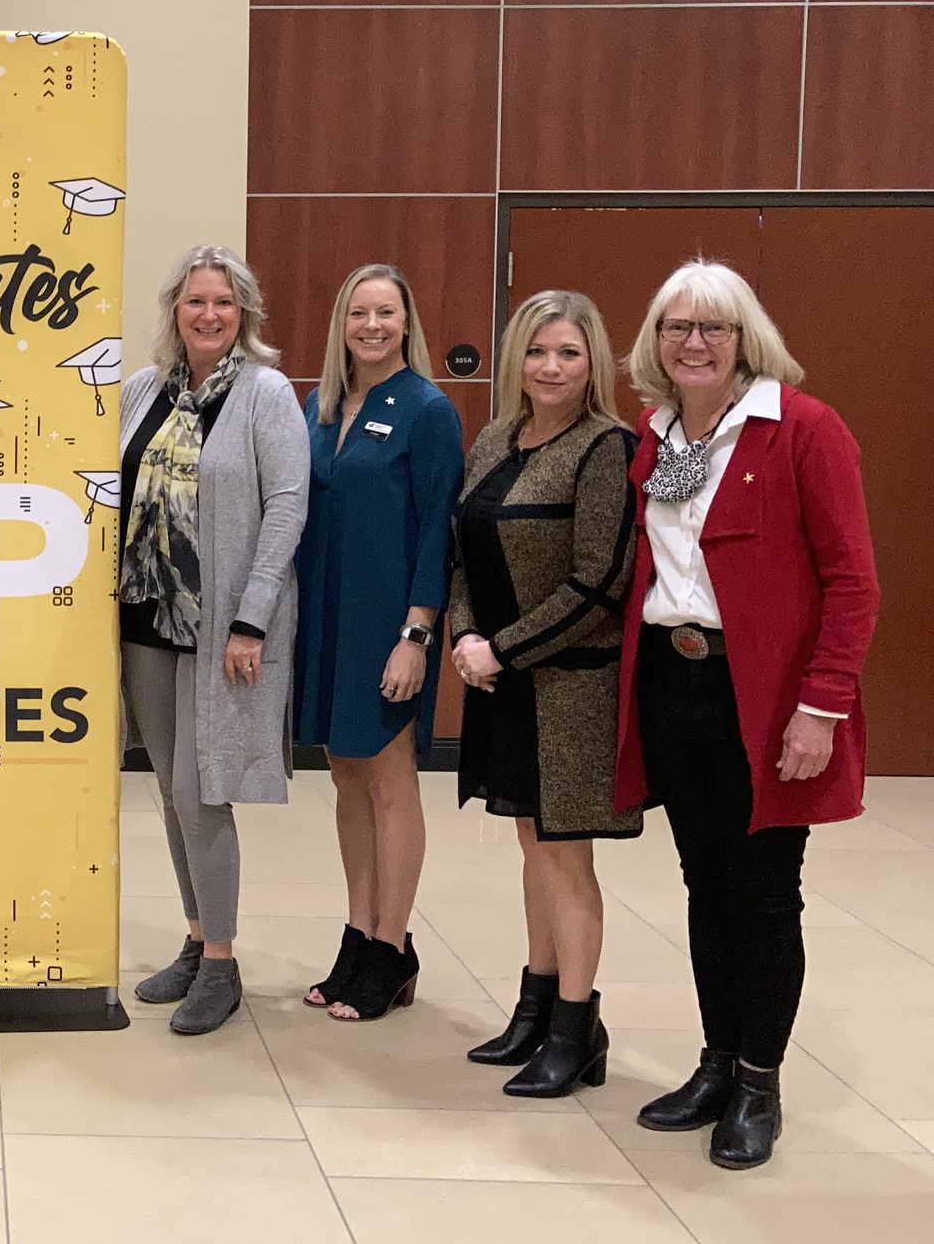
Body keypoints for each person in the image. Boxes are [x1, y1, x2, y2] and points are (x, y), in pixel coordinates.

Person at [616, 260, 878, 1170]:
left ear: (745, 339)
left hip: (766, 699)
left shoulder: (803, 430)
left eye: (713, 328)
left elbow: (854, 583)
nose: (693, 342)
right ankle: (717, 1061)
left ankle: (760, 1082)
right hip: (673, 684)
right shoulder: (655, 438)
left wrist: (821, 709)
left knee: (764, 895)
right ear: (655, 343)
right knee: (703, 885)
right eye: (676, 326)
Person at [448, 291, 639, 1096]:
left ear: (593, 360)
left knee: (564, 856)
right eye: (536, 351)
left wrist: (501, 648)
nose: (550, 367)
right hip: (498, 678)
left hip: (566, 689)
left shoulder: (608, 448)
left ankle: (576, 1026)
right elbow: (463, 552)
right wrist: (463, 636)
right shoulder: (497, 436)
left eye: (567, 352)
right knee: (532, 845)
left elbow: (600, 581)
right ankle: (534, 1005)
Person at [119, 246, 311, 1034]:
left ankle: (224, 965)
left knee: (205, 793)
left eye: (223, 304)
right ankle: (197, 940)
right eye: (195, 301)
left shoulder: (267, 396)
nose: (208, 315)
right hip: (145, 621)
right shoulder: (142, 390)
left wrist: (251, 618)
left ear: (245, 315)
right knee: (169, 789)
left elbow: (288, 509)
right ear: (175, 310)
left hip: (223, 628)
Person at [294, 263, 462, 1021]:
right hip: (326, 620)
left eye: (385, 313)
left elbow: (439, 531)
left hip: (388, 623)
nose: (371, 325)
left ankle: (393, 949)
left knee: (390, 779)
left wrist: (417, 636)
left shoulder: (427, 410)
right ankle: (358, 935)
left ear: (405, 322)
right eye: (358, 312)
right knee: (346, 778)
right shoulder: (319, 407)